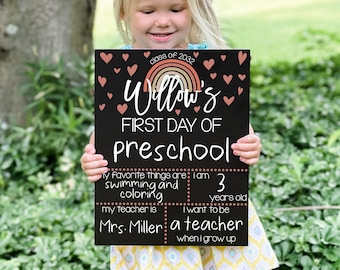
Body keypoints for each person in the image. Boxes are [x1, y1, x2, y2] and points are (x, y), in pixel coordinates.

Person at [81, 0, 279, 269]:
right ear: (124, 13)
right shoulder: (118, 68)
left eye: (175, 10)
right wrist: (92, 160)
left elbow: (233, 124)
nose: (163, 21)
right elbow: (109, 132)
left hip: (211, 203)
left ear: (193, 10)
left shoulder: (210, 61)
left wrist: (250, 144)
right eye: (149, 11)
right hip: (148, 209)